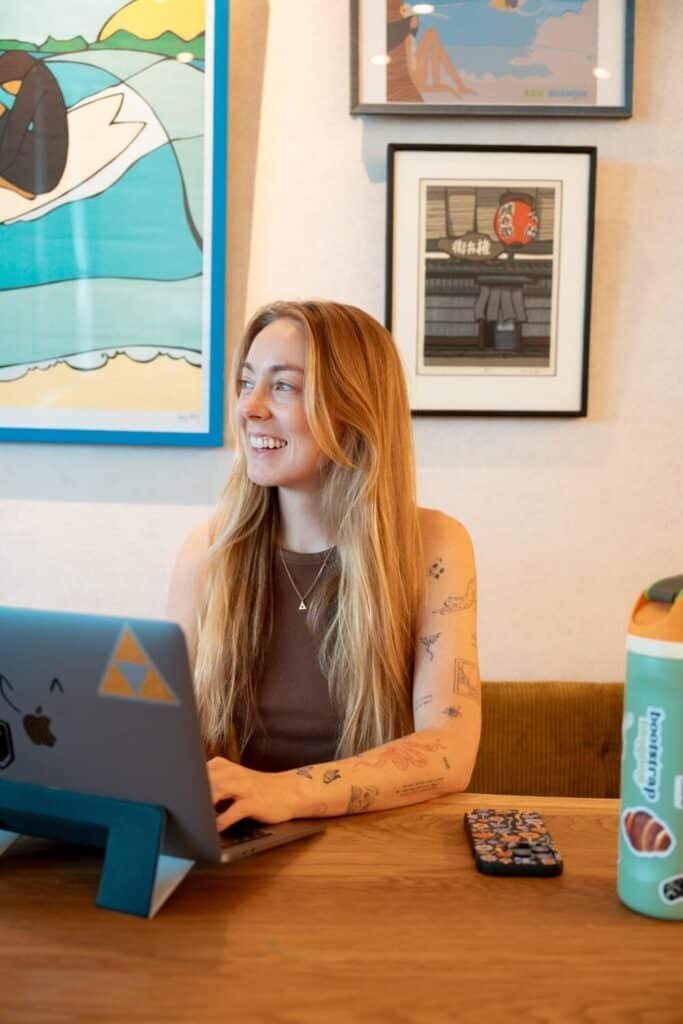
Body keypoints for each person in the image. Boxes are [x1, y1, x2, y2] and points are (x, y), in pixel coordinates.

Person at [168, 300, 481, 831]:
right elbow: (161, 737)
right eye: (247, 383)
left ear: (354, 408)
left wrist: (286, 792)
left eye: (283, 386)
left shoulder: (435, 548)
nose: (249, 407)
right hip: (235, 848)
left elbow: (449, 749)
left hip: (374, 850)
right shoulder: (208, 553)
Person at [0, 51, 68, 199]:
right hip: (48, 161)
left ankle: (18, 188)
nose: (10, 93)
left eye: (5, 86)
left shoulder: (31, 87)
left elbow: (15, 130)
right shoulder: (41, 76)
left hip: (41, 174)